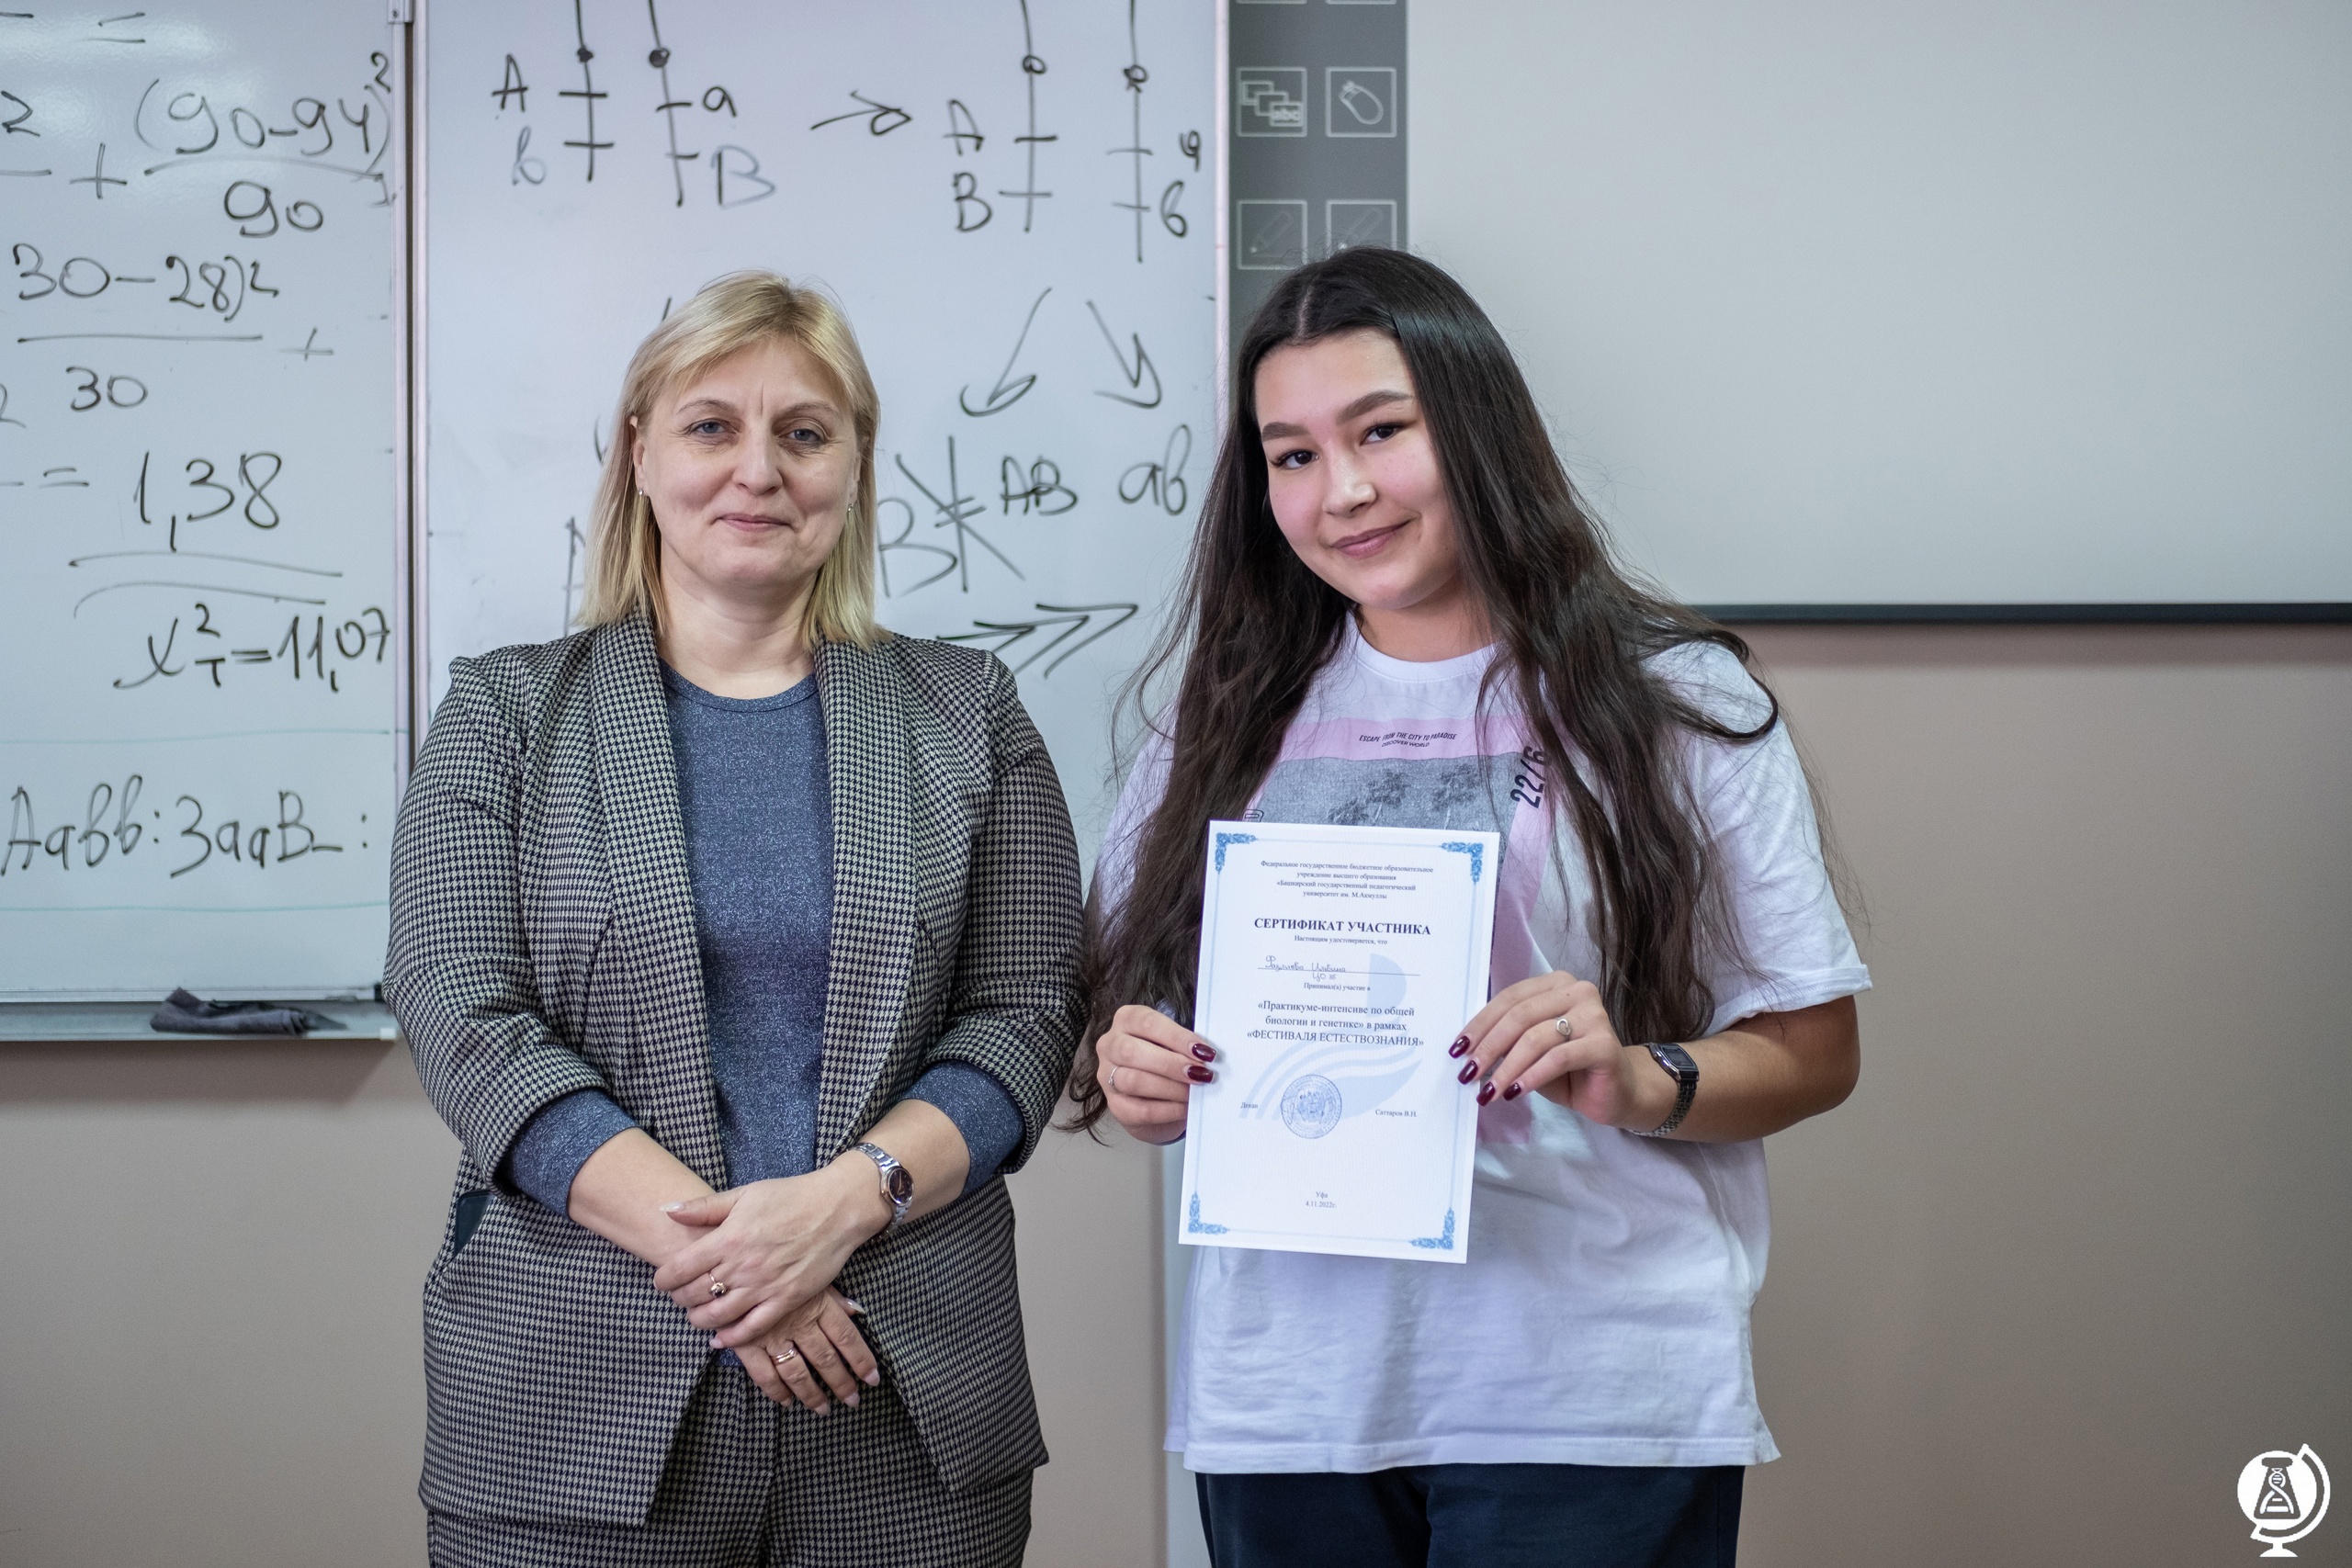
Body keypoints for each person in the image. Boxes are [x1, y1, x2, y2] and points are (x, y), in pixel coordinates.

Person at [1076, 247, 1870, 1568]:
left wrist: (1638, 1078)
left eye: (1381, 432)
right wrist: (1143, 1070)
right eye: (1292, 455)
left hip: (1591, 1390)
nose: (1342, 490)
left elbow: (1815, 1050)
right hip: (1288, 1401)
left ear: (1477, 428)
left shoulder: (1678, 702)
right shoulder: (1216, 721)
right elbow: (1136, 1013)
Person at [388, 271, 1082, 1567]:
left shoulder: (970, 713)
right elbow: (464, 1016)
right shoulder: (503, 714)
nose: (758, 469)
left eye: (804, 433)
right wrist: (744, 1265)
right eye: (711, 426)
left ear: (854, 466)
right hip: (575, 1402)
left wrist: (846, 1207)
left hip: (902, 1393)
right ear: (639, 453)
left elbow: (1028, 1014)